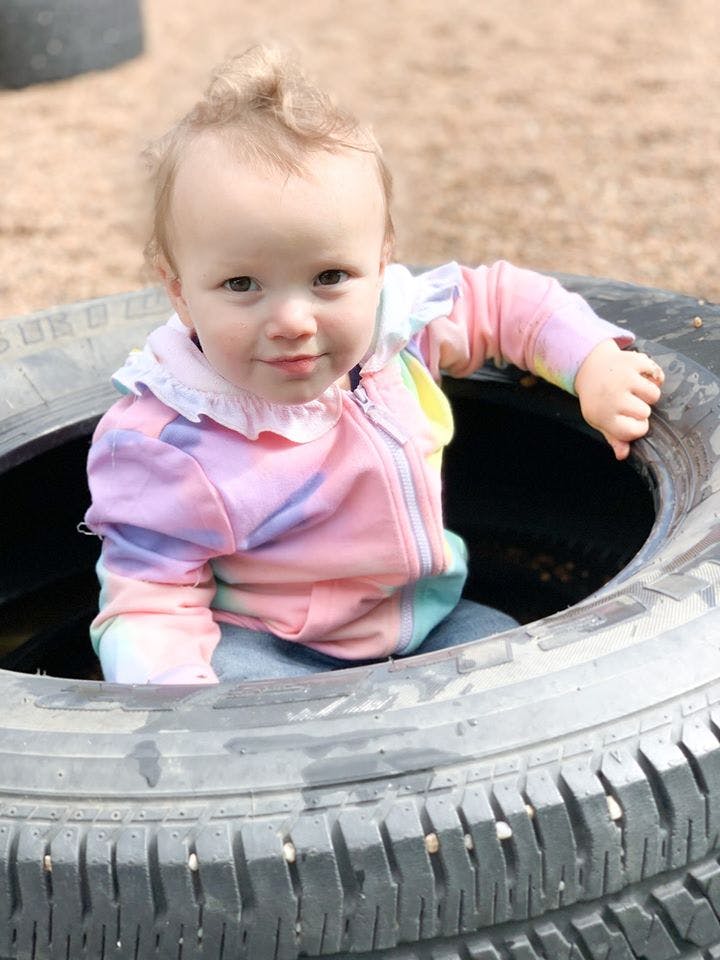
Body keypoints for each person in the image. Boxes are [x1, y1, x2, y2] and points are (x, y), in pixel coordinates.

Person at [84, 44, 664, 685]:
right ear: (179, 289)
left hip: (428, 617)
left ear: (382, 262)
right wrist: (178, 707)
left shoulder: (400, 331)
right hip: (269, 649)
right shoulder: (168, 442)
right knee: (256, 717)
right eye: (243, 284)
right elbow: (150, 599)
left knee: (527, 667)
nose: (293, 321)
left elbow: (505, 301)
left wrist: (592, 363)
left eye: (329, 276)